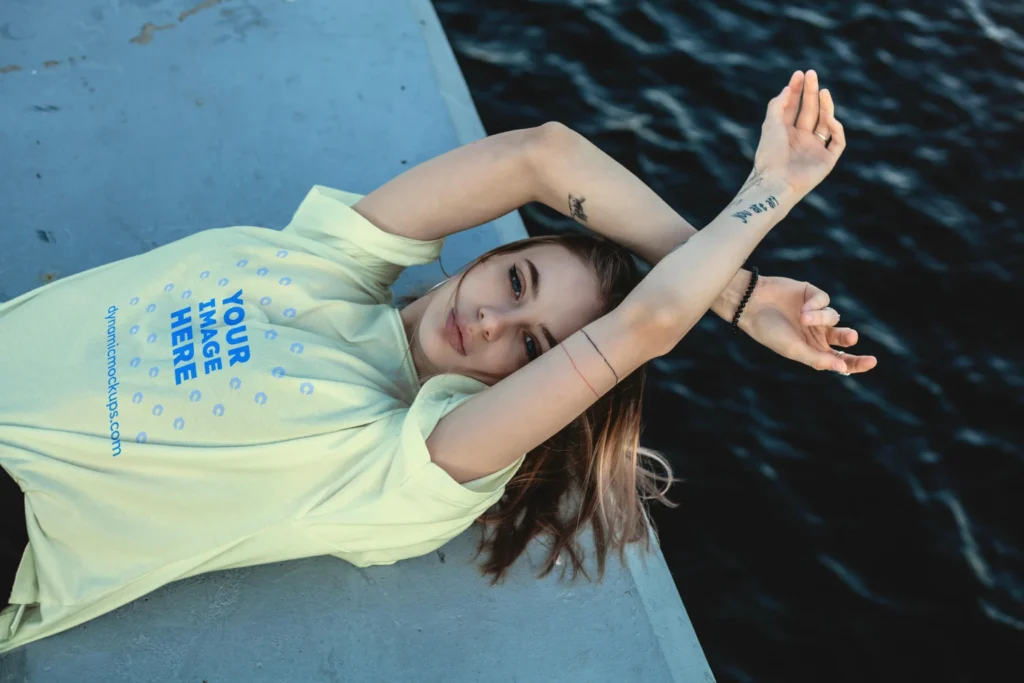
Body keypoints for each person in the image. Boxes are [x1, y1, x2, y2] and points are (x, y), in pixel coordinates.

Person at [0, 69, 875, 653]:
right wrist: (740, 286)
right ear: (484, 258)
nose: (492, 319)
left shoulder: (405, 466)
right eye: (516, 279)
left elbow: (645, 324)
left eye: (533, 348)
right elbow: (540, 155)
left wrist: (771, 192)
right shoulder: (329, 257)